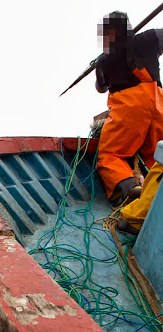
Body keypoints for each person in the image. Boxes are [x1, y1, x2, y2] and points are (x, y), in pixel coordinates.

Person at [95, 11, 163, 208]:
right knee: (157, 156)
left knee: (110, 155)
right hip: (159, 103)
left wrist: (103, 62)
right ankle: (156, 195)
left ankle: (129, 190)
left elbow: (101, 87)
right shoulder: (149, 38)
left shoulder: (104, 60)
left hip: (130, 106)